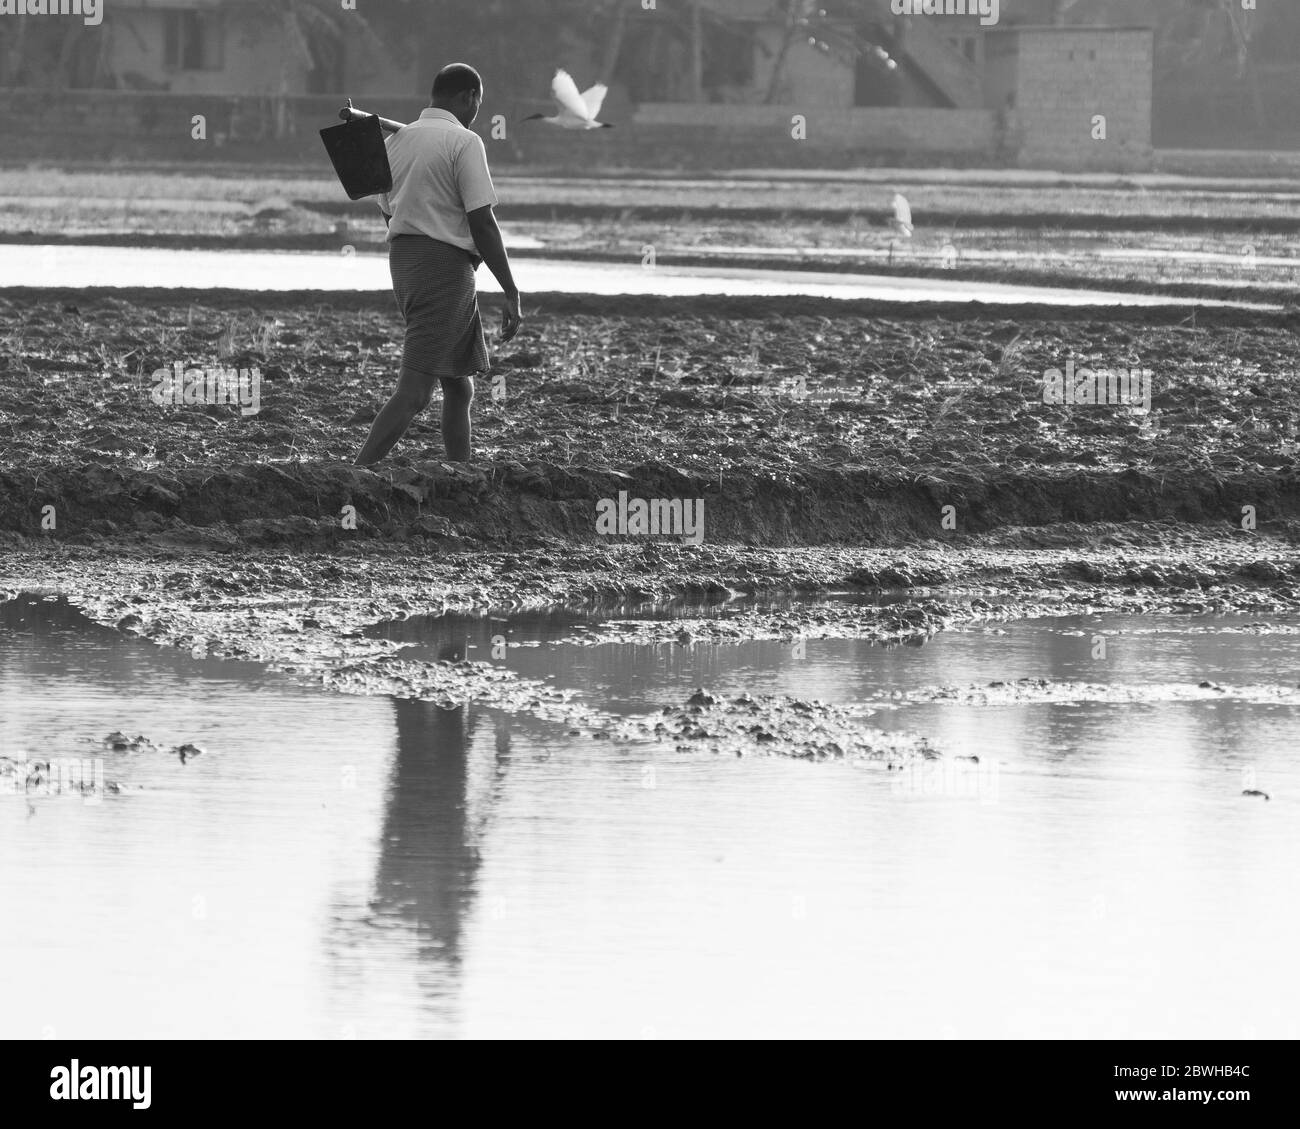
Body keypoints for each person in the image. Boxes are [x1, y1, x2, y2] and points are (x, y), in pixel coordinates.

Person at [354, 63, 522, 467]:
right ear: (469, 97)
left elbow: (388, 211)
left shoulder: (398, 140)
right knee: (415, 392)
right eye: (478, 102)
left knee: (459, 388)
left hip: (406, 262)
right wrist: (511, 289)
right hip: (442, 269)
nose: (477, 109)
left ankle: (459, 471)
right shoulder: (465, 142)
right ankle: (357, 472)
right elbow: (482, 220)